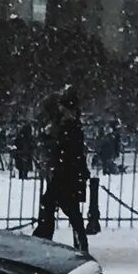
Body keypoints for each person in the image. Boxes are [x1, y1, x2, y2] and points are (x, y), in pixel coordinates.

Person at [34, 84, 90, 251]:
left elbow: (68, 151)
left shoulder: (69, 127)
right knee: (67, 210)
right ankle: (47, 238)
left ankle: (44, 238)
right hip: (67, 174)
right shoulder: (69, 126)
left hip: (65, 174)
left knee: (57, 206)